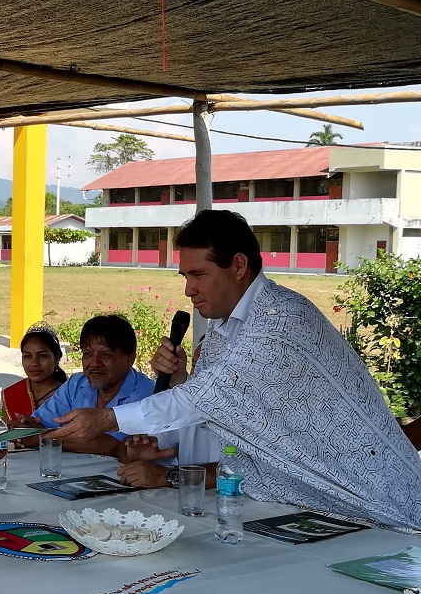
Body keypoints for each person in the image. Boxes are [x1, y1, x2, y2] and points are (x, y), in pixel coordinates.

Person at [50, 209, 421, 530]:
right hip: (316, 506)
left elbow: (205, 399)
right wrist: (164, 432)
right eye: (185, 277)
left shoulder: (279, 320)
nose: (189, 290)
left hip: (382, 507)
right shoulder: (224, 328)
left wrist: (107, 419)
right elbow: (218, 411)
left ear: (239, 266)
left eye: (198, 274)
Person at [11, 315, 154, 456]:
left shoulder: (148, 393)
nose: (95, 363)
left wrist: (45, 438)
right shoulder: (77, 384)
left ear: (129, 358)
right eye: (88, 354)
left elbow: (115, 445)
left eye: (105, 354)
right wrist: (25, 428)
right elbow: (41, 425)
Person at [1, 322, 67, 421]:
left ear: (56, 358)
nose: (34, 363)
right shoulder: (12, 395)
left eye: (42, 356)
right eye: (27, 356)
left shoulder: (68, 395)